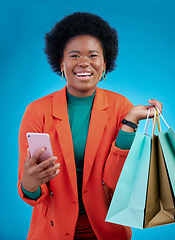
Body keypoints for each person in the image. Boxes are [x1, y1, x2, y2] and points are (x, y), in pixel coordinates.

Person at [18, 12, 163, 240]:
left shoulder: (120, 107)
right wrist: (30, 181)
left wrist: (130, 122)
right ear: (61, 62)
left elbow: (118, 184)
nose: (84, 62)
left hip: (107, 231)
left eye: (93, 55)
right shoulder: (37, 112)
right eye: (74, 56)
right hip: (51, 232)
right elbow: (33, 195)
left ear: (105, 62)